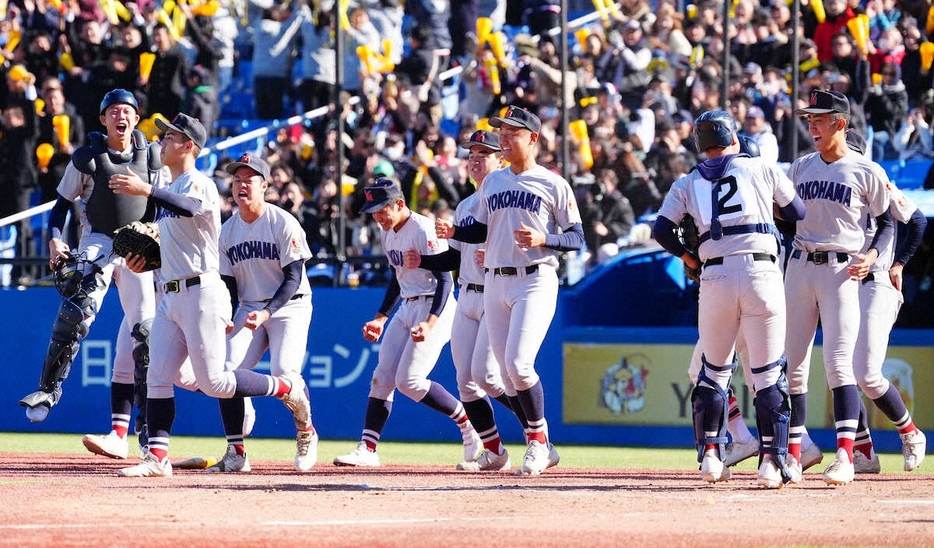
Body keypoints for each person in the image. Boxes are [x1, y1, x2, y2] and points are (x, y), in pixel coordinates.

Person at [108, 113, 311, 477]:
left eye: (170, 137)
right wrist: (145, 263)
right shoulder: (171, 188)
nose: (162, 142)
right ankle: (158, 458)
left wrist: (146, 190)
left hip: (202, 292)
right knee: (158, 375)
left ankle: (285, 385)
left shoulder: (198, 183)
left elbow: (187, 207)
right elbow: (168, 242)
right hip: (170, 293)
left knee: (216, 382)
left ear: (189, 146)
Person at [653, 110, 805, 488]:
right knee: (768, 375)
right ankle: (772, 462)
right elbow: (796, 213)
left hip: (714, 274)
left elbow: (661, 230)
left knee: (713, 372)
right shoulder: (760, 167)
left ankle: (710, 456)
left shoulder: (688, 181)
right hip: (761, 272)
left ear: (699, 145)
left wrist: (689, 256)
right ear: (734, 138)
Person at [436, 106, 584, 475]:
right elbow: (481, 230)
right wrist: (454, 234)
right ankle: (534, 444)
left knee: (519, 365)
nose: (503, 138)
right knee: (501, 374)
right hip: (495, 282)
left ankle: (537, 442)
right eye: (500, 131)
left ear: (532, 138)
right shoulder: (494, 183)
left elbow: (577, 237)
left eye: (511, 132)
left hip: (535, 277)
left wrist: (544, 238)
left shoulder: (553, 183)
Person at [19, 91, 158, 467]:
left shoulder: (151, 156)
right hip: (98, 240)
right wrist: (54, 239)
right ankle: (47, 391)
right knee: (76, 313)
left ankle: (147, 436)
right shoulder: (87, 158)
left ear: (136, 117)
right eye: (114, 112)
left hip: (138, 242)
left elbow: (161, 204)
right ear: (103, 120)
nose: (121, 117)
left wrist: (155, 237)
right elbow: (62, 205)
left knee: (144, 333)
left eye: (127, 111)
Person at [333, 177, 482, 467]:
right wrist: (380, 318)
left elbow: (444, 280)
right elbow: (396, 278)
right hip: (407, 304)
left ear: (399, 203)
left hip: (434, 306)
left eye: (381, 209)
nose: (377, 216)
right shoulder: (388, 231)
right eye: (373, 210)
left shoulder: (424, 228)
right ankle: (367, 449)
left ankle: (467, 424)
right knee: (381, 378)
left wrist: (429, 322)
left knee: (409, 382)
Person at [784, 90, 893, 486]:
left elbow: (887, 222)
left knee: (838, 364)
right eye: (809, 117)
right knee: (792, 366)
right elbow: (786, 221)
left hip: (842, 269)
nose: (811, 124)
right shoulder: (800, 167)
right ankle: (793, 455)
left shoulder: (866, 170)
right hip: (799, 265)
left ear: (840, 123)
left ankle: (847, 456)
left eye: (819, 117)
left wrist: (876, 255)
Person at [403, 130, 522, 471]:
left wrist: (501, 255)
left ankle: (536, 434)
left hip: (496, 294)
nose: (474, 159)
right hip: (466, 294)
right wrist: (422, 261)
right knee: (466, 382)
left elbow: (522, 242)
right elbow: (453, 260)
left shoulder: (506, 198)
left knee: (488, 376)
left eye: (483, 153)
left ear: (500, 160)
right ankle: (495, 452)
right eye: (471, 154)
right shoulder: (466, 206)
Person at [208, 153, 319, 473]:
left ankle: (306, 432)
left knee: (286, 371)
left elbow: (294, 277)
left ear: (265, 185)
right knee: (224, 374)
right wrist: (227, 315)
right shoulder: (227, 231)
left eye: (249, 179)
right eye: (237, 179)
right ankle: (236, 452)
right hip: (249, 306)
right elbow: (228, 285)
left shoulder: (282, 222)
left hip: (290, 305)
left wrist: (268, 312)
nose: (241, 185)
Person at [843, 129, 927, 474]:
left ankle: (910, 433)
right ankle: (863, 450)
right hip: (843, 284)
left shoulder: (876, 181)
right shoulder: (828, 181)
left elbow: (918, 221)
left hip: (876, 282)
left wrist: (898, 263)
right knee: (840, 373)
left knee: (866, 372)